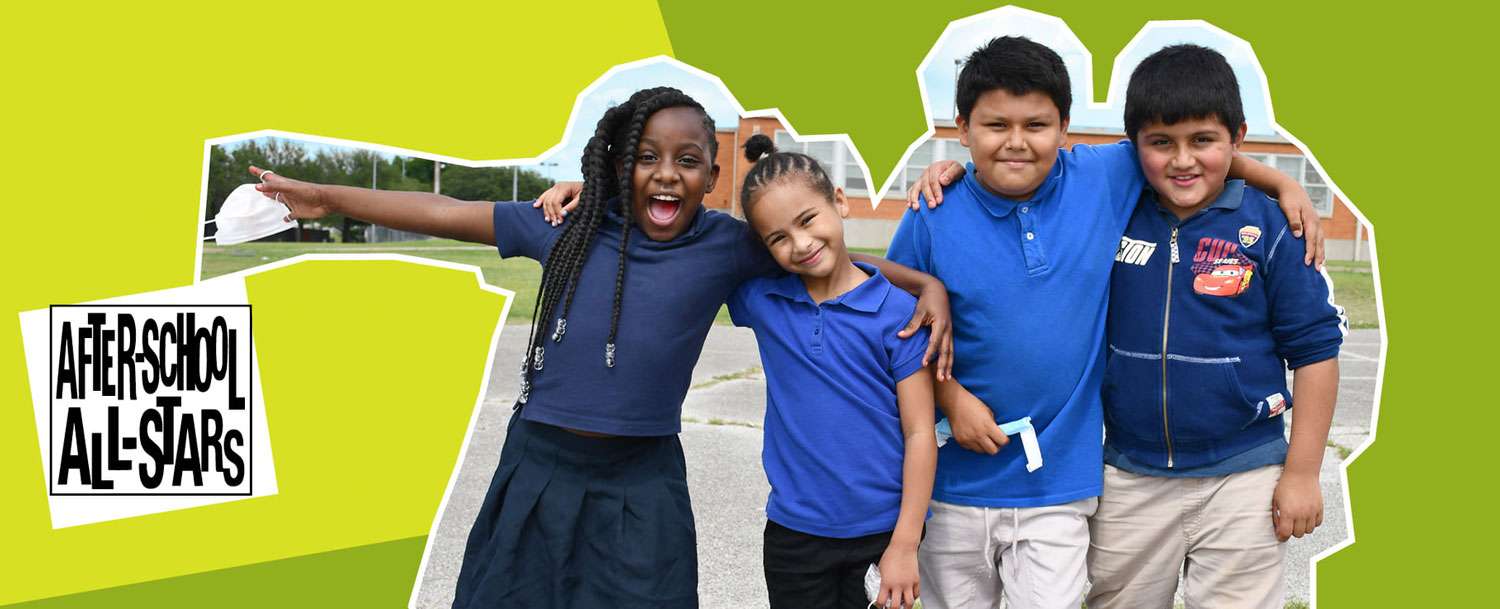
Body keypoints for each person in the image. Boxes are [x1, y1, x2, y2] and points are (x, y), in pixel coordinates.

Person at [251, 86, 950, 609]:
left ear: (713, 175)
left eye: (687, 160)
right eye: (645, 158)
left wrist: (926, 287)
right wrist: (328, 196)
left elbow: (826, 259)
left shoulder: (726, 245)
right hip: (540, 464)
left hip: (642, 478)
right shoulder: (569, 223)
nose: (667, 173)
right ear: (618, 165)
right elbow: (446, 212)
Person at [890, 36, 1323, 609]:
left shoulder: (1101, 176)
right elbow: (891, 319)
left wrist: (1282, 182)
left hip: (1065, 486)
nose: (1016, 142)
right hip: (959, 483)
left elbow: (1191, 146)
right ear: (963, 127)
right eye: (996, 126)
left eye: (1036, 125)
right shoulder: (935, 211)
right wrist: (947, 392)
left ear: (1066, 126)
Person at [1085, 44, 1345, 609]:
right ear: (1135, 147)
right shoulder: (1108, 208)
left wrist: (1302, 475)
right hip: (1130, 474)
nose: (1182, 161)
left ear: (1237, 137)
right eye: (1161, 143)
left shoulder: (1274, 228)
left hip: (1244, 475)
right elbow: (1028, 167)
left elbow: (1317, 353)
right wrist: (951, 166)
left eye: (1202, 140)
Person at [728, 134, 936, 609]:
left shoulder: (900, 313)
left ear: (839, 201)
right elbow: (688, 239)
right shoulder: (762, 300)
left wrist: (904, 544)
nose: (800, 244)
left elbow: (920, 431)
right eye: (778, 237)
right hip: (796, 531)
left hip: (887, 530)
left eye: (807, 220)